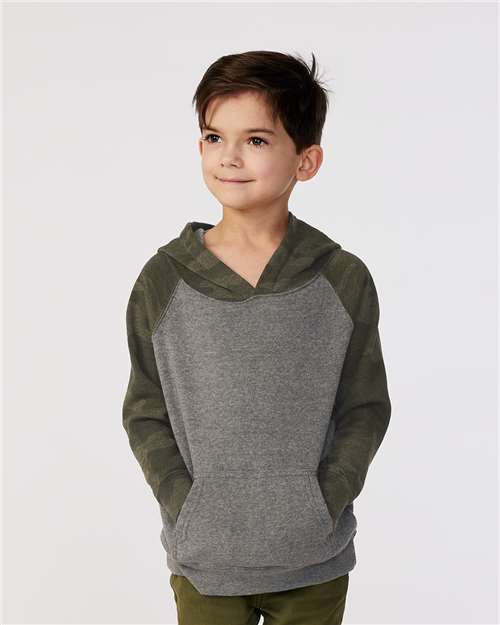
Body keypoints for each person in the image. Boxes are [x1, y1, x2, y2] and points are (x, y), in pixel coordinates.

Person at [122, 50, 392, 625]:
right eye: (214, 137)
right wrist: (186, 505)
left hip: (313, 563)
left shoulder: (342, 279)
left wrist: (322, 502)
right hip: (206, 562)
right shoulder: (163, 280)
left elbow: (364, 408)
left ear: (306, 160)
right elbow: (145, 410)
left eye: (257, 140)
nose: (230, 157)